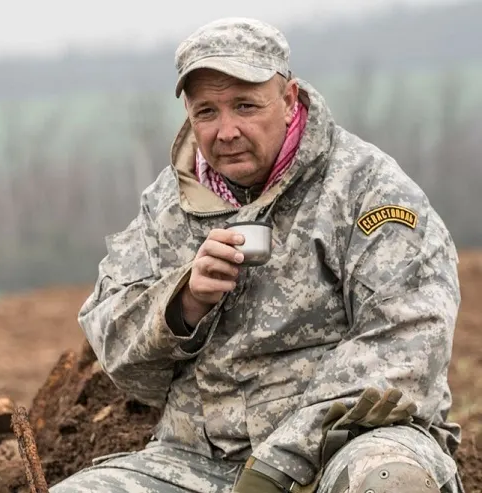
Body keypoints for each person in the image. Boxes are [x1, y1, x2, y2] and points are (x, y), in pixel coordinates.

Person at [50, 17, 464, 493]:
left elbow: (408, 345)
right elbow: (119, 357)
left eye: (244, 106)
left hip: (348, 444)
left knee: (393, 482)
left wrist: (279, 462)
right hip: (198, 461)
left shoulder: (366, 190)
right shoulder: (165, 207)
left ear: (289, 101)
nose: (226, 131)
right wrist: (183, 304)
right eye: (206, 112)